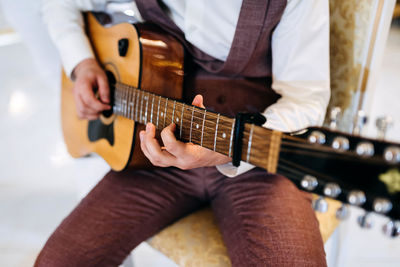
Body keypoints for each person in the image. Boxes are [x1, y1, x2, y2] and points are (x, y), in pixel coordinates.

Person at [36, 0, 330, 266]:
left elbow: (305, 100)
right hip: (148, 155)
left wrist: (231, 145)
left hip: (257, 159)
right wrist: (82, 63)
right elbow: (58, 5)